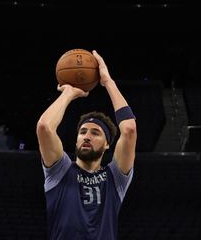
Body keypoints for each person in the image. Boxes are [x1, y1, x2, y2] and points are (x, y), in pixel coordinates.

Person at [36, 50, 137, 240]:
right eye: (82, 132)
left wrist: (108, 82)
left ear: (108, 144)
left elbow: (129, 128)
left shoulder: (115, 178)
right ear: (76, 140)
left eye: (95, 132)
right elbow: (44, 128)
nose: (87, 136)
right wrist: (68, 93)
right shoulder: (60, 171)